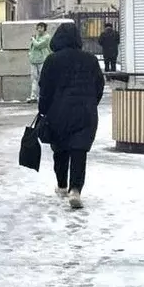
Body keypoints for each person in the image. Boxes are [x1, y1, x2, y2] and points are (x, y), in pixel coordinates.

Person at [37, 22, 105, 210]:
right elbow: (99, 86)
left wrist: (43, 110)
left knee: (60, 149)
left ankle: (61, 185)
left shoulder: (52, 60)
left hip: (59, 113)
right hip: (85, 113)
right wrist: (91, 103)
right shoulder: (90, 60)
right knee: (79, 151)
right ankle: (75, 189)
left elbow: (45, 89)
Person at [27, 22, 51, 103]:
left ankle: (43, 95)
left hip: (42, 60)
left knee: (42, 79)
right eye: (38, 27)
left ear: (45, 28)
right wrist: (30, 54)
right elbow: (31, 47)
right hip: (33, 60)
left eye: (41, 27)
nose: (39, 29)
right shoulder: (36, 36)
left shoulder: (47, 37)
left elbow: (38, 45)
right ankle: (33, 96)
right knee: (34, 79)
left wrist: (33, 39)